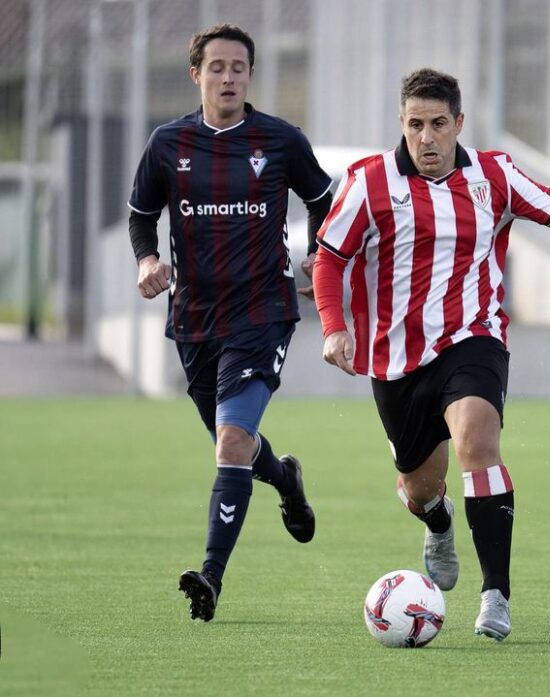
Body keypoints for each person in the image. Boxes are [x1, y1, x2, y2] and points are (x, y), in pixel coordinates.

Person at [312, 68, 550, 641]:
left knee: (477, 438)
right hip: (395, 359)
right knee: (421, 489)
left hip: (475, 338)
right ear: (401, 123)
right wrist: (334, 326)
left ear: (459, 125)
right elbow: (329, 259)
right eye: (416, 125)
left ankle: (495, 594)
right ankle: (438, 521)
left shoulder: (494, 175)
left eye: (439, 125)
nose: (427, 138)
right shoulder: (368, 183)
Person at [127, 23, 333, 622]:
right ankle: (287, 481)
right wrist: (146, 260)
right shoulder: (168, 144)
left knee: (231, 440)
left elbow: (324, 202)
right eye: (216, 67)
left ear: (249, 75)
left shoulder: (280, 139)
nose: (227, 76)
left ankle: (211, 578)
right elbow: (142, 214)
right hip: (193, 319)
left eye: (238, 67)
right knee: (233, 445)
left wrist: (318, 250)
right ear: (196, 75)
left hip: (262, 312)